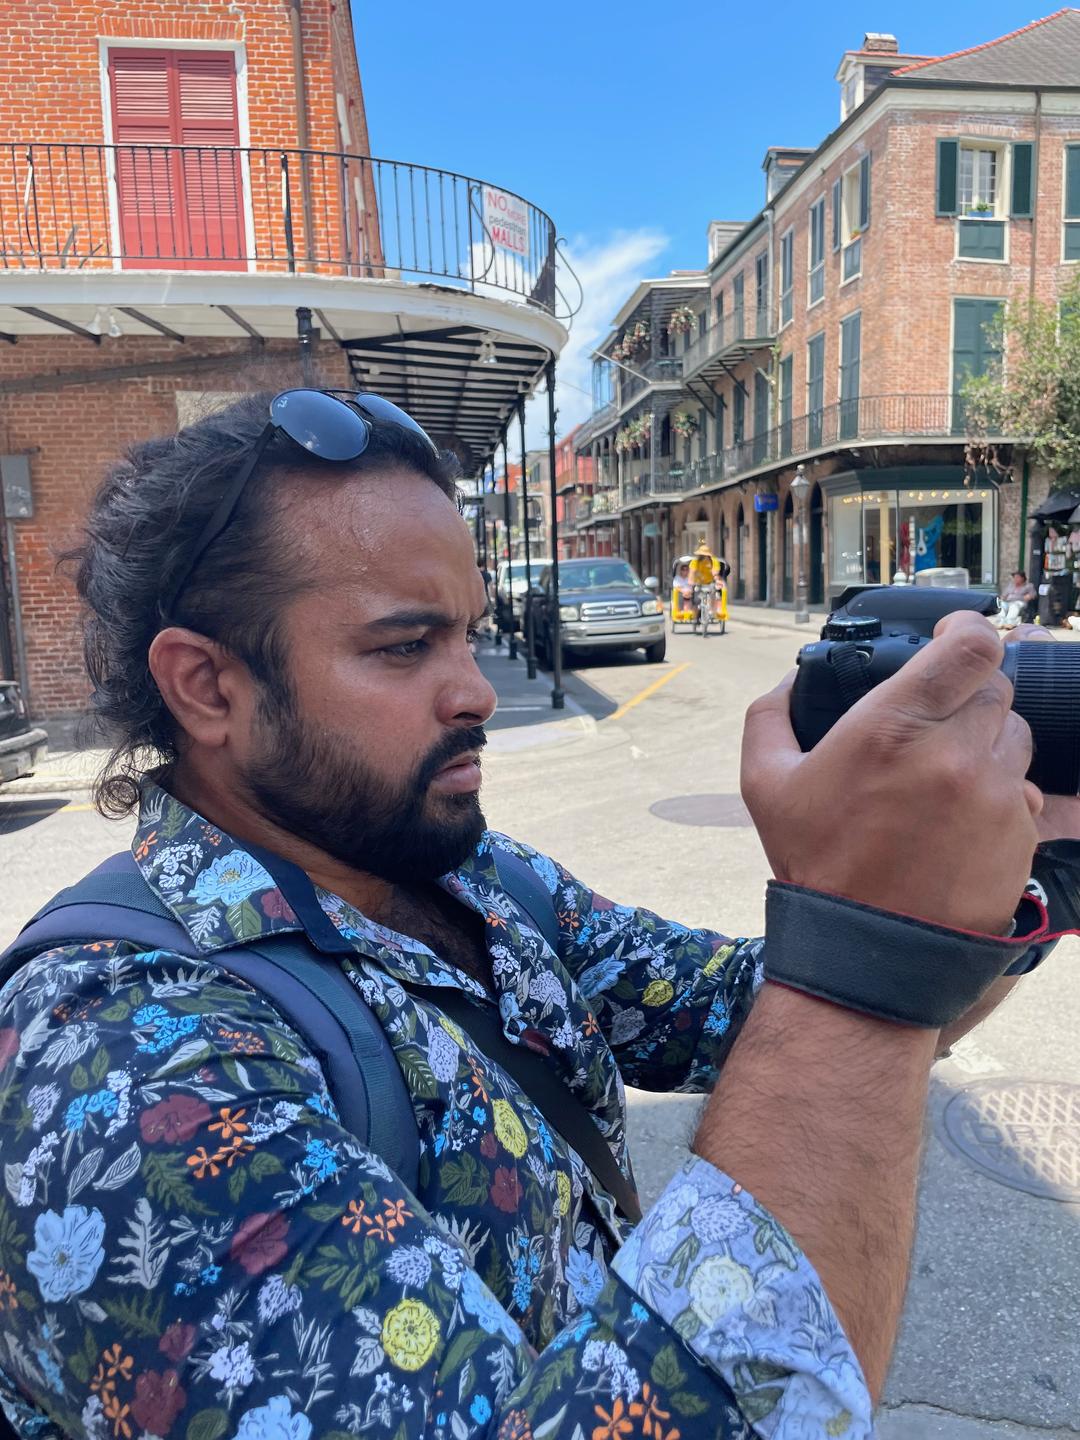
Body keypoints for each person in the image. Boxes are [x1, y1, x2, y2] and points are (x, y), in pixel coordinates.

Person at [0, 388, 1068, 1440]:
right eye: (404, 646)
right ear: (206, 687)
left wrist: (1028, 864)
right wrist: (864, 942)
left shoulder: (476, 878)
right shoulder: (114, 1058)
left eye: (468, 633)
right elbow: (840, 1007)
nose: (473, 691)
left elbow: (755, 1016)